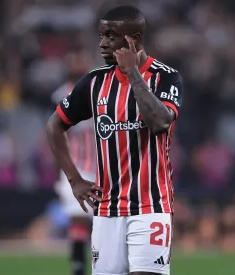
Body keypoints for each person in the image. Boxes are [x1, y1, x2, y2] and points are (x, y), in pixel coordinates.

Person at [46, 5, 183, 275]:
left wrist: (133, 73)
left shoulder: (165, 77)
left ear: (133, 39)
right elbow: (54, 126)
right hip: (107, 210)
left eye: (110, 36)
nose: (102, 44)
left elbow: (160, 123)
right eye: (101, 35)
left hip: (151, 205)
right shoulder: (94, 82)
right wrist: (74, 179)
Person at [51, 49, 96, 275]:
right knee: (77, 218)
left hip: (101, 168)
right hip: (75, 165)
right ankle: (78, 268)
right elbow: (55, 134)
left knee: (103, 221)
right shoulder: (61, 95)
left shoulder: (100, 91)